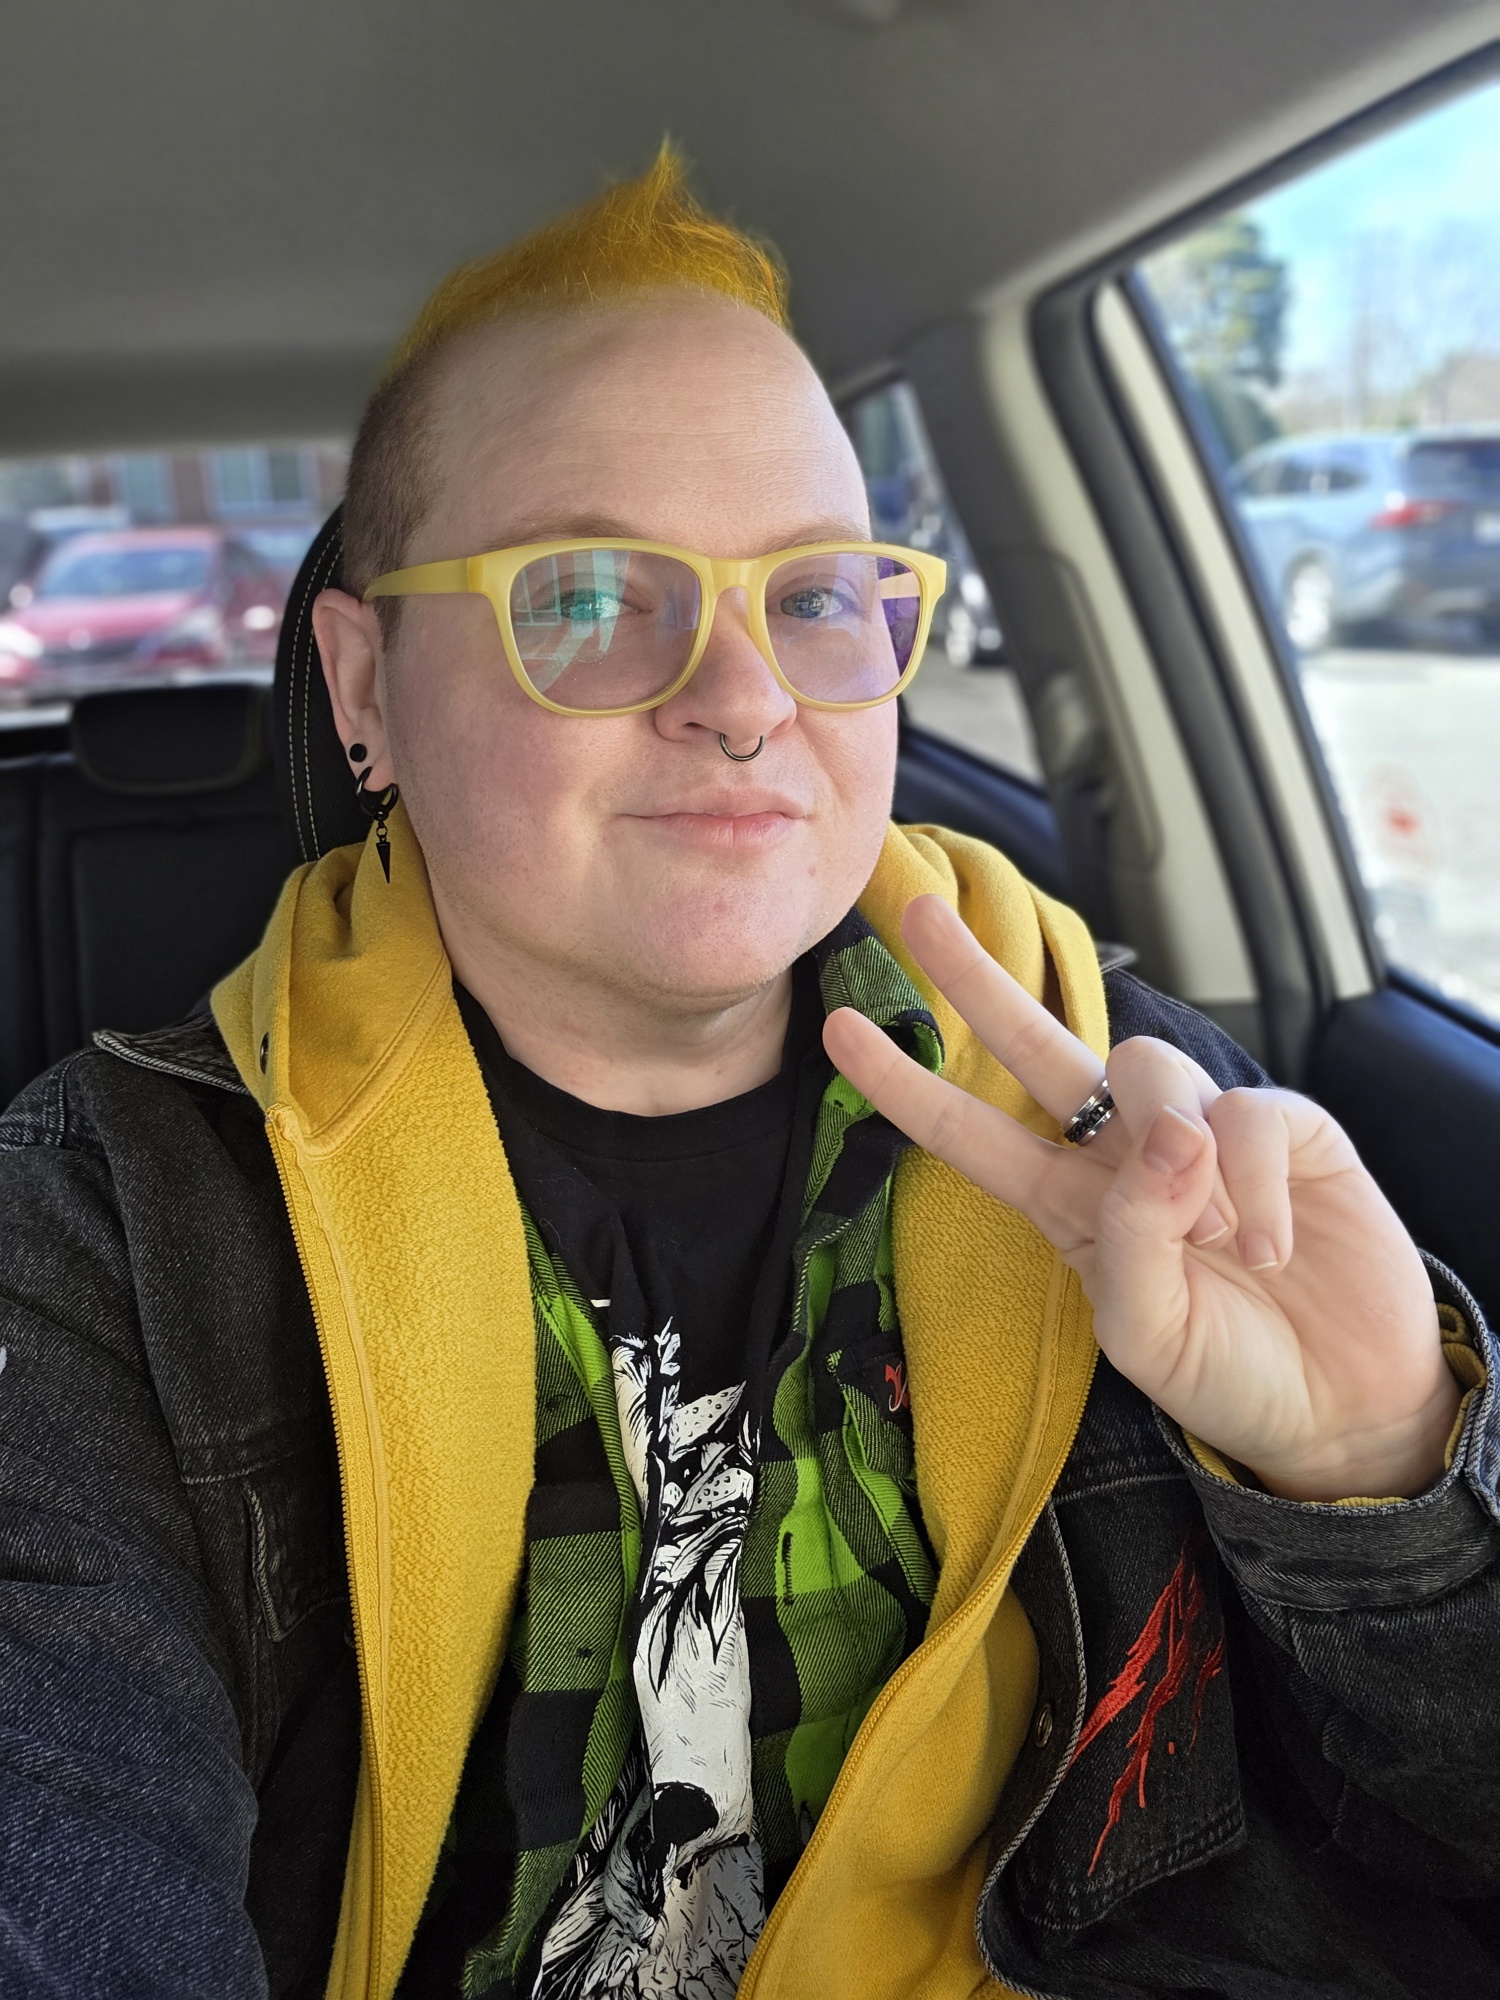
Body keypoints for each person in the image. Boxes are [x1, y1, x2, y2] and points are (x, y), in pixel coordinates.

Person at [1, 147, 1497, 2000]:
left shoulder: (1133, 1109)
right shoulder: (105, 1233)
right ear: (365, 689)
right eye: (587, 592)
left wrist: (1369, 1479)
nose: (743, 697)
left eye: (815, 595)